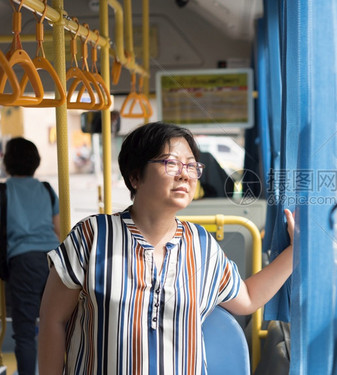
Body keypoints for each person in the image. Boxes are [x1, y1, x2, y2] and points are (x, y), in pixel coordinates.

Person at [38, 122, 294, 375]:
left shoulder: (202, 245)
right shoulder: (92, 236)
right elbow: (53, 320)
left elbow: (247, 298)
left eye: (192, 166)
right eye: (170, 163)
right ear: (135, 176)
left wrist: (294, 253)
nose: (184, 174)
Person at [2, 137, 60, 375]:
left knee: (25, 331)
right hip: (53, 262)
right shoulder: (46, 189)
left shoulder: (4, 191)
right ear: (36, 162)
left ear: (7, 162)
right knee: (55, 325)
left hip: (22, 262)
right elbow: (58, 229)